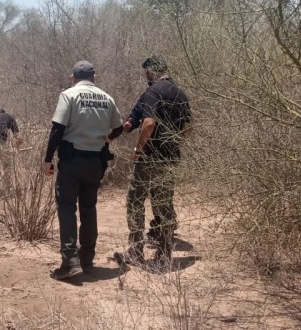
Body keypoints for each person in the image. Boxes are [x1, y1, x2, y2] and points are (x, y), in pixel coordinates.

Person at [44, 60, 123, 279]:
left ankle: (70, 261)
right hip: (96, 162)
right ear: (94, 78)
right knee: (89, 207)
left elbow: (57, 128)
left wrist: (48, 159)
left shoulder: (68, 95)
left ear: (73, 78)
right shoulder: (107, 98)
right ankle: (87, 258)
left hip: (72, 161)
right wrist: (108, 138)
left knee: (67, 208)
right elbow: (118, 127)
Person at [113, 57, 192, 269]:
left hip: (150, 158)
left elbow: (148, 122)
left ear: (151, 72)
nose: (146, 76)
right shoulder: (180, 94)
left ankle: (136, 252)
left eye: (147, 72)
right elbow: (188, 127)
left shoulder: (153, 92)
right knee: (164, 205)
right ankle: (164, 253)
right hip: (170, 159)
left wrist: (139, 150)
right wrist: (174, 144)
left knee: (135, 203)